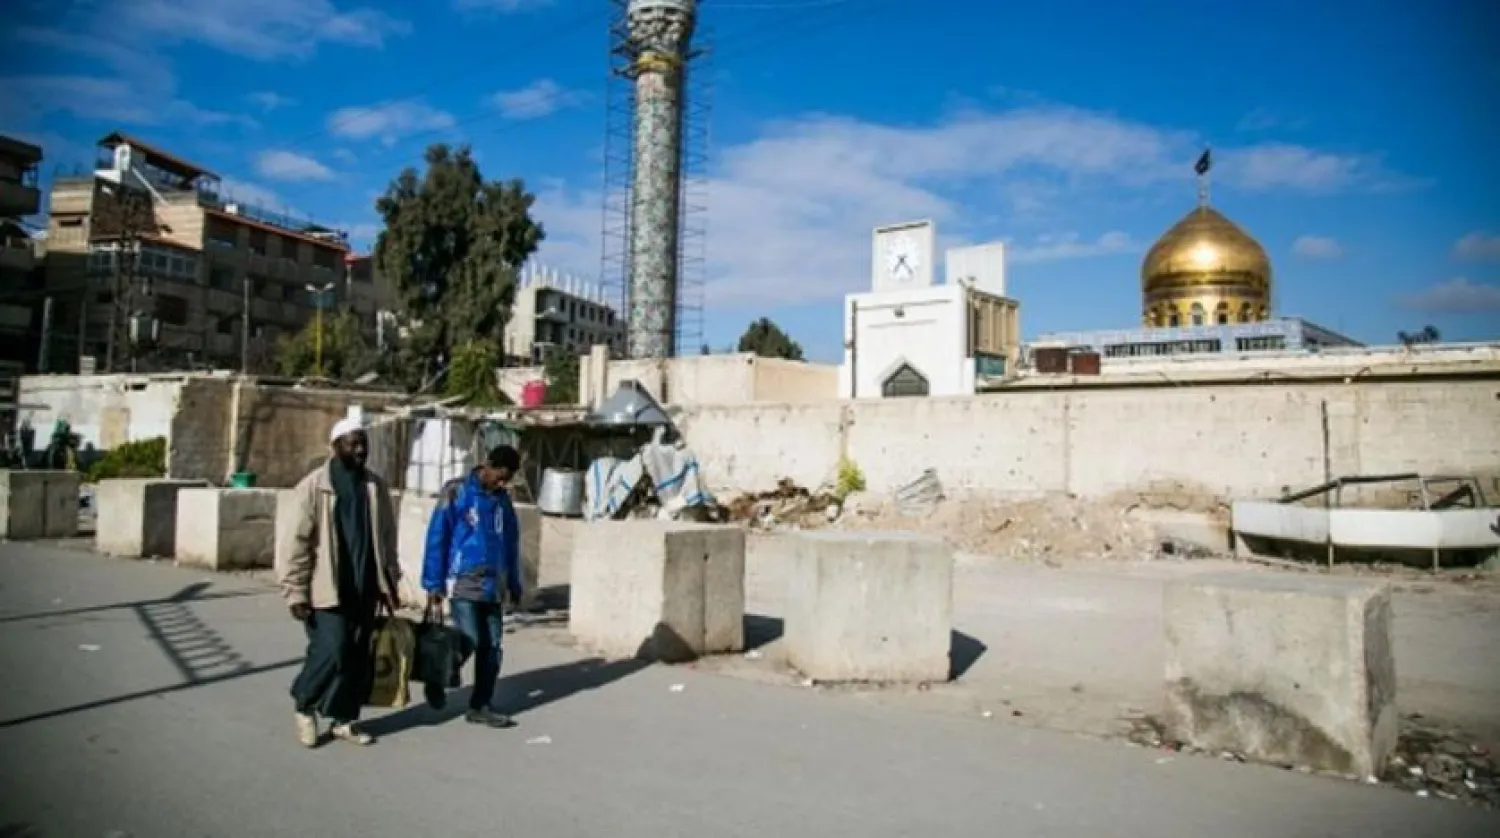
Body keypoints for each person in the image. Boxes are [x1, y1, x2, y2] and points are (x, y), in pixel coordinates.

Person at [278, 416, 401, 748]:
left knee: (357, 658)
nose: (360, 449)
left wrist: (391, 582)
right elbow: (295, 544)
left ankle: (343, 720)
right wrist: (295, 592)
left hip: (365, 588)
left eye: (363, 442)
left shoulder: (375, 487)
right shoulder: (314, 487)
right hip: (326, 589)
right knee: (333, 650)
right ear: (335, 447)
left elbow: (387, 539)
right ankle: (305, 704)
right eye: (352, 443)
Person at [421, 444, 525, 728]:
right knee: (470, 639)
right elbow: (437, 536)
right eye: (499, 476)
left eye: (507, 479)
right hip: (463, 580)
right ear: (487, 465)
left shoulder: (503, 501)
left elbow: (511, 543)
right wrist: (433, 583)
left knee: (492, 647)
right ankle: (437, 676)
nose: (502, 483)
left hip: (494, 584)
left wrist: (514, 582)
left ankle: (480, 705)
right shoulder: (456, 492)